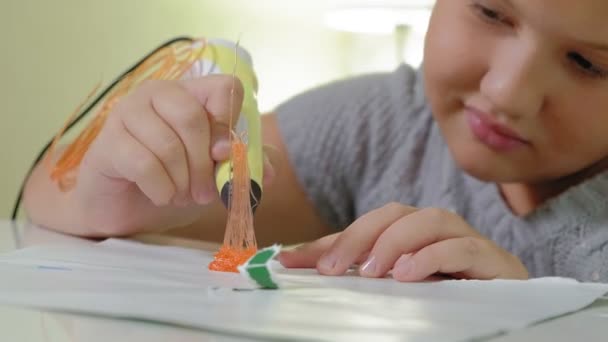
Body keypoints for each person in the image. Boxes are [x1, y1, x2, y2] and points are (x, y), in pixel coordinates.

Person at [23, 0, 608, 283]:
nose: (506, 92)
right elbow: (45, 195)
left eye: (587, 63)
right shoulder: (385, 124)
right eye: (489, 11)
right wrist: (107, 198)